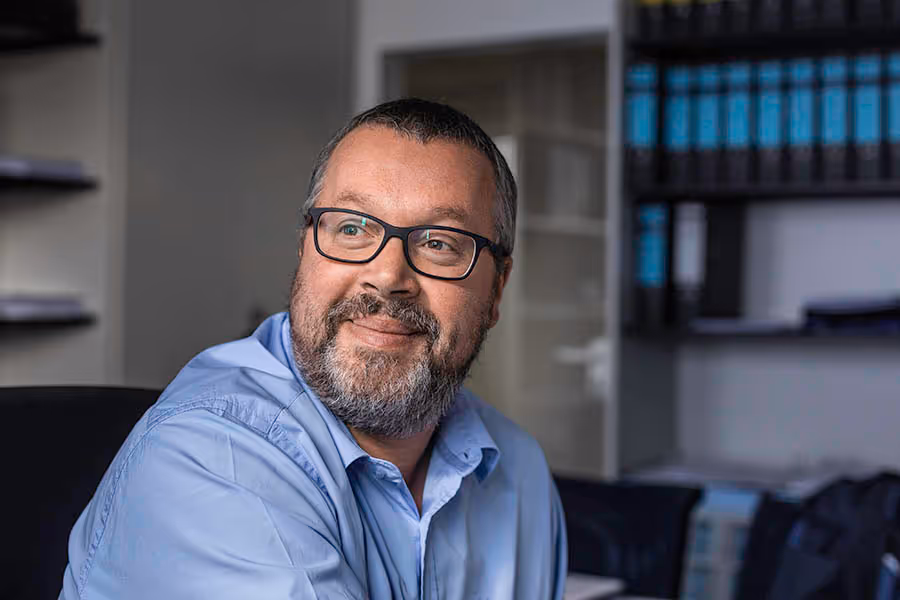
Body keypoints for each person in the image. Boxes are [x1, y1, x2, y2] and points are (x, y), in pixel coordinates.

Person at [60, 99, 567, 599]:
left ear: (496, 290)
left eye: (439, 242)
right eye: (352, 228)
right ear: (304, 249)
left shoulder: (518, 474)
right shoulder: (210, 458)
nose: (388, 276)